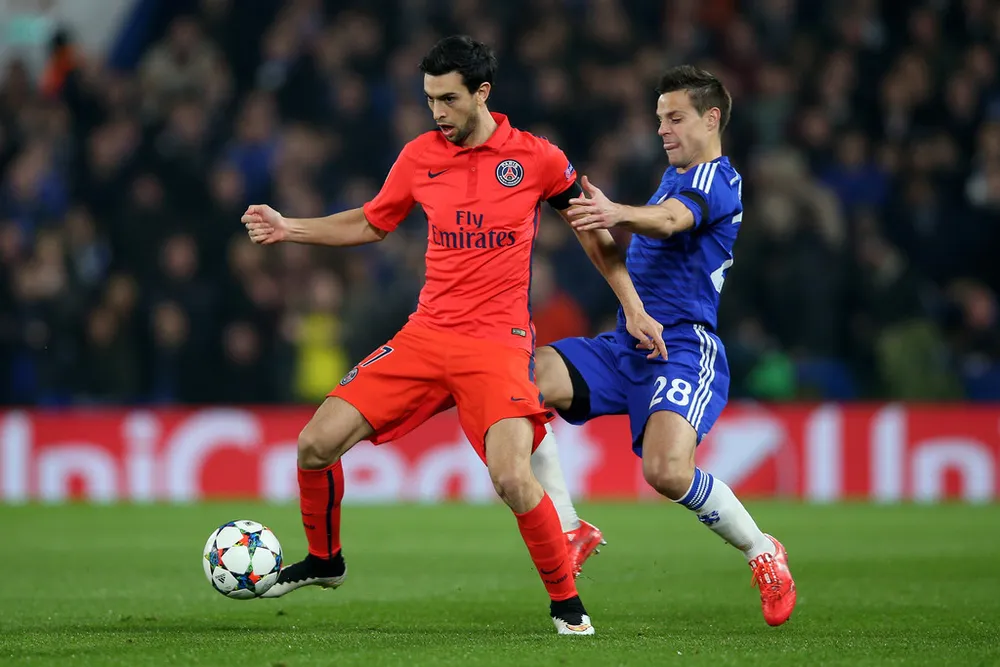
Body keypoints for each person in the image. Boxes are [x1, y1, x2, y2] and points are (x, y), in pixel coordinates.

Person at [240, 35, 667, 635]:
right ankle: (324, 560)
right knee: (314, 445)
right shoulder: (420, 155)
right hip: (426, 335)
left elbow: (593, 234)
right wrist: (289, 228)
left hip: (497, 344)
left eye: (447, 99)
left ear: (481, 93)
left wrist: (633, 307)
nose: (436, 112)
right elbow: (370, 221)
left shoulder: (538, 159)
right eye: (428, 99)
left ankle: (568, 607)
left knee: (512, 478)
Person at [531, 65, 798, 627]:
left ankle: (762, 552)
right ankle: (570, 525)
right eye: (659, 119)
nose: (663, 129)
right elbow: (644, 233)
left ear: (712, 118)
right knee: (519, 385)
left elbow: (673, 222)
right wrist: (595, 223)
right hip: (628, 341)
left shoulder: (716, 180)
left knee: (667, 473)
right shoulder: (674, 177)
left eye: (674, 118)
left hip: (682, 347)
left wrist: (618, 213)